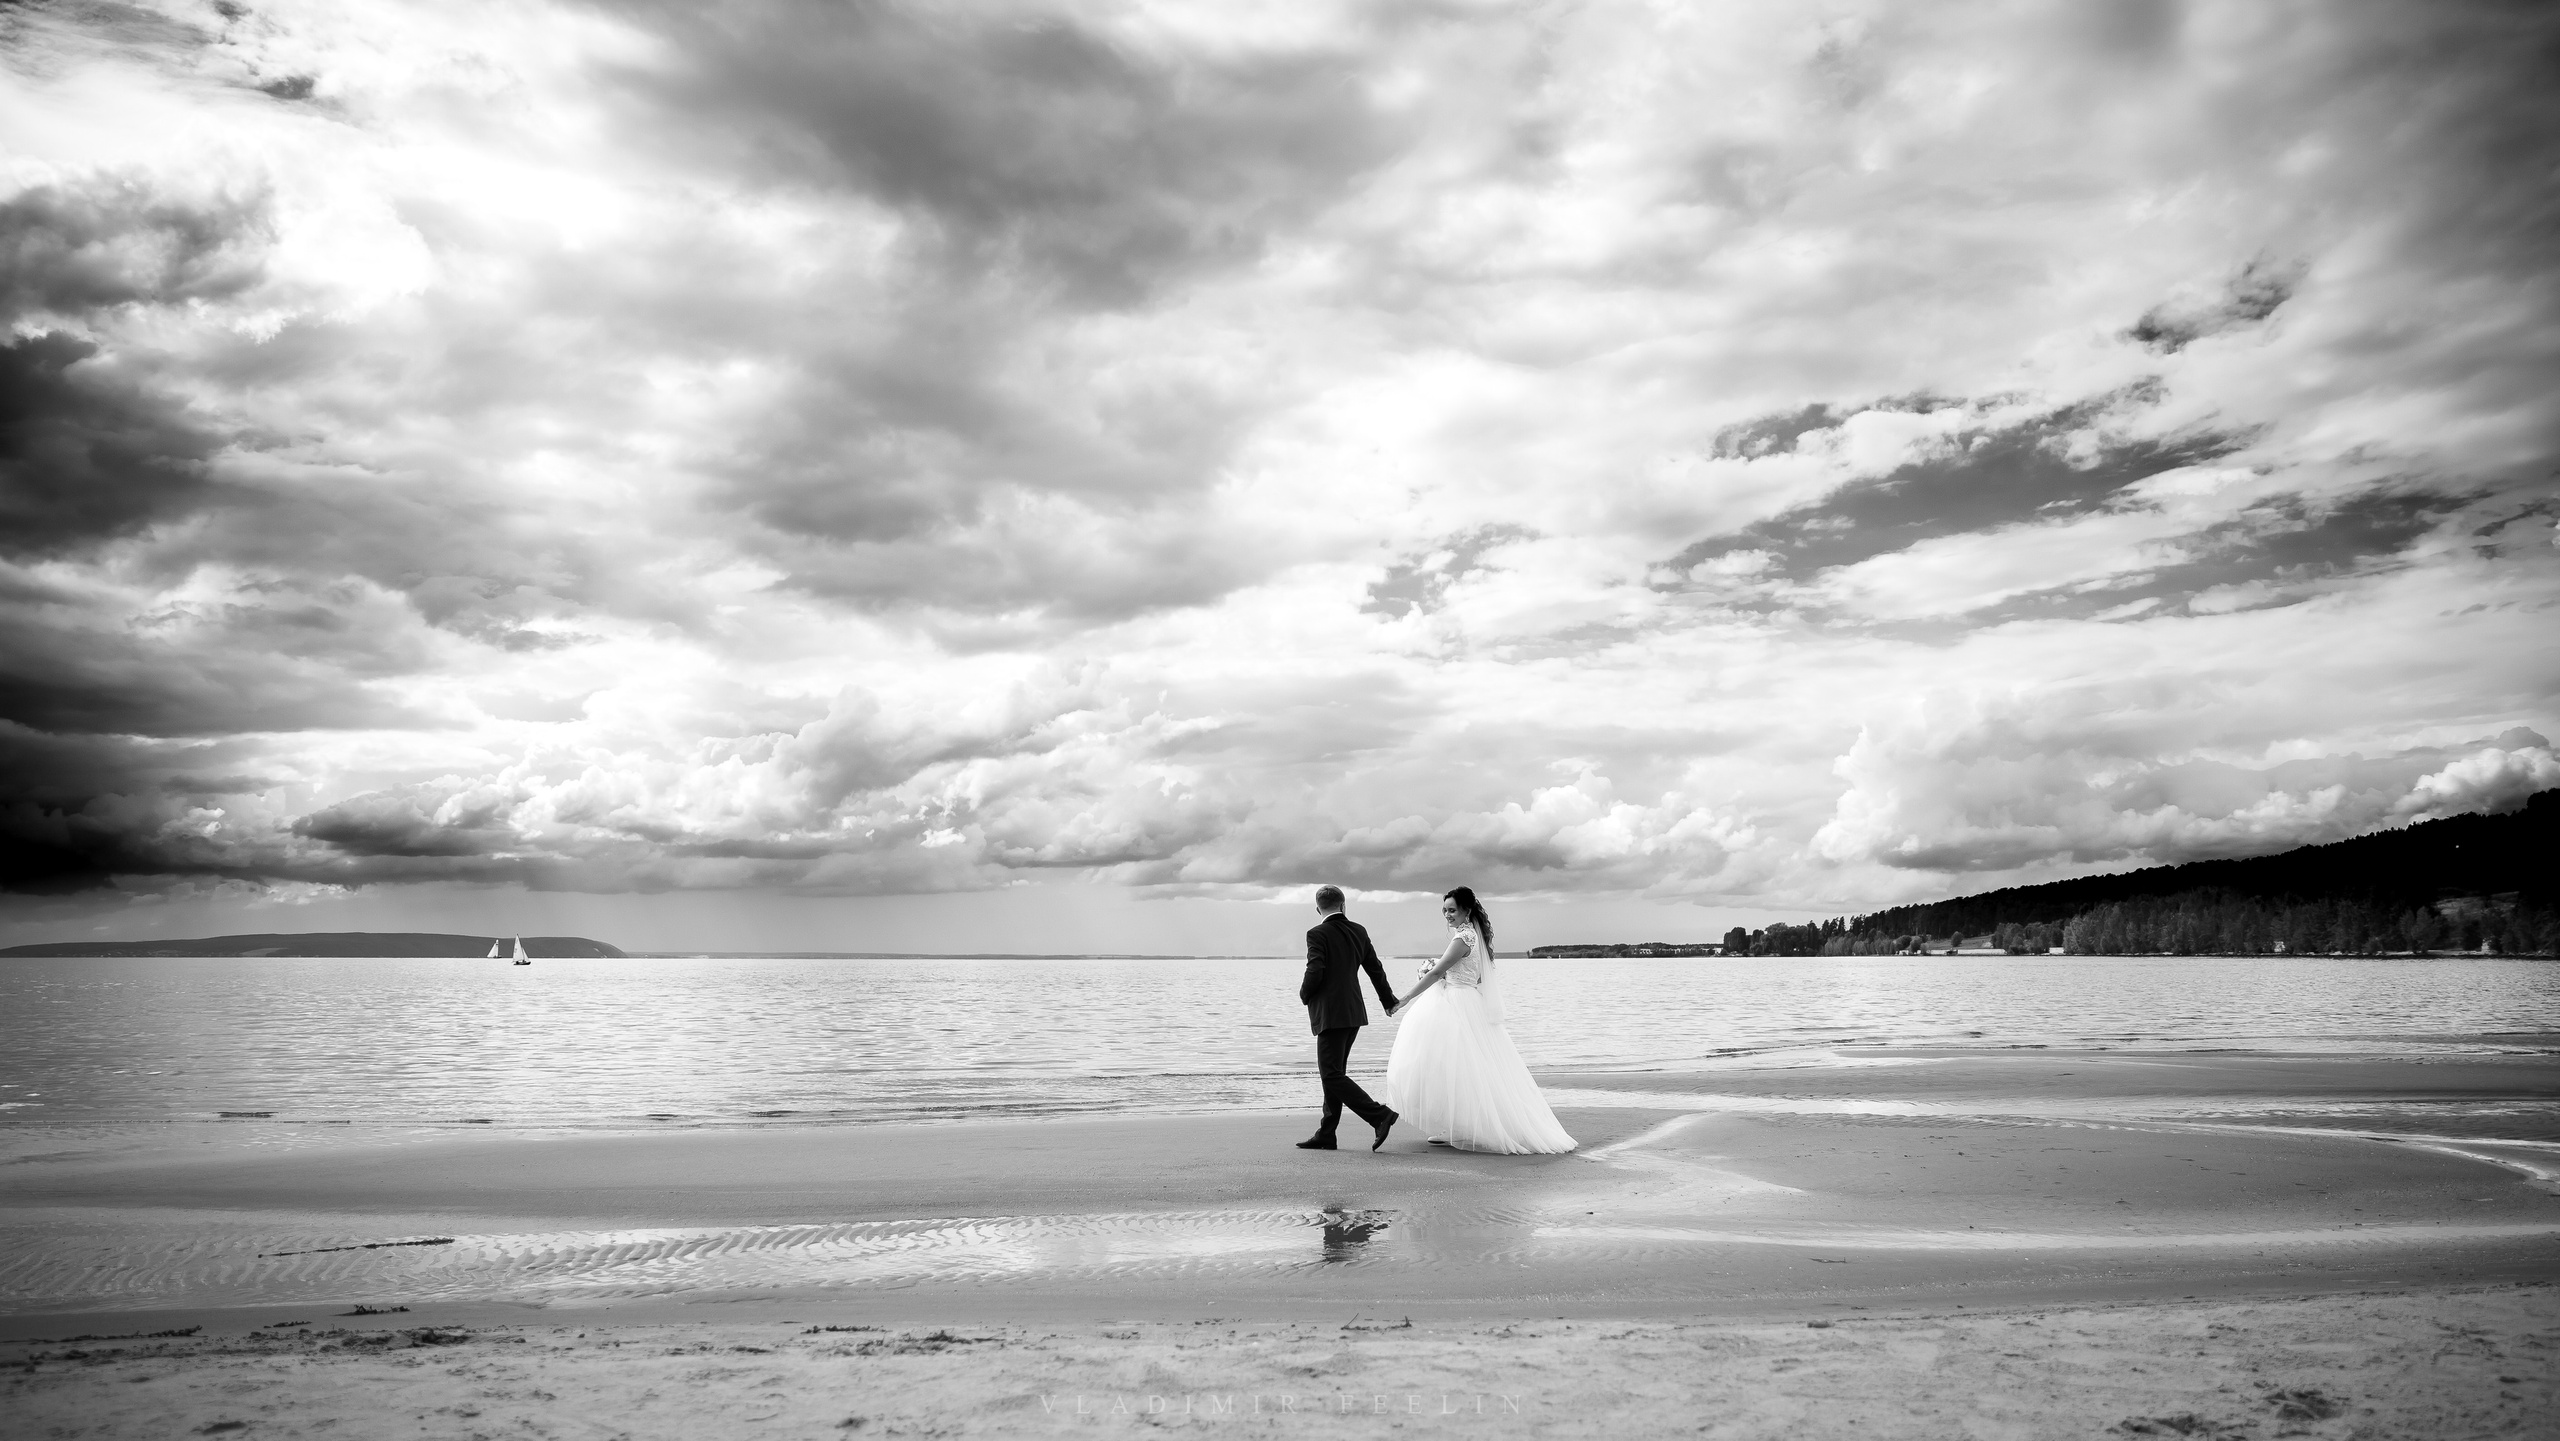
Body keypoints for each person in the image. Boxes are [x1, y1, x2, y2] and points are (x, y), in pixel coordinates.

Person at [1383, 886, 1575, 1154]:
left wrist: (1403, 1000)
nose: (1447, 915)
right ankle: (1455, 1125)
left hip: (1456, 1004)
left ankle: (1460, 1127)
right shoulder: (1474, 937)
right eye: (1445, 911)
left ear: (1467, 911)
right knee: (1457, 1067)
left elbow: (1438, 972)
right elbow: (1473, 975)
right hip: (1465, 1001)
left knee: (1449, 1066)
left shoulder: (1463, 938)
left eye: (1452, 910)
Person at [1296, 885, 1400, 1151]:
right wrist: (1387, 1001)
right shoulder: (1359, 930)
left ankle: (1379, 1115)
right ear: (1343, 906)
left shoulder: (1316, 933)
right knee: (1335, 1073)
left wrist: (1304, 994)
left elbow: (1315, 968)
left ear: (1318, 908)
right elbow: (1375, 969)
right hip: (1353, 1012)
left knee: (1330, 1075)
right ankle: (1327, 1134)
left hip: (1330, 1013)